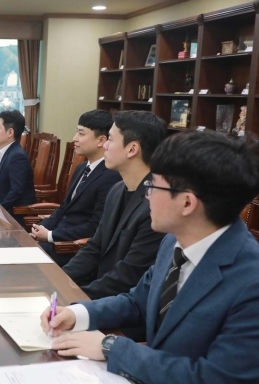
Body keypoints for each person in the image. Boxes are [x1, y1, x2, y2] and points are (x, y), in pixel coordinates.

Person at [42, 130, 259, 384]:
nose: (147, 196)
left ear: (187, 203)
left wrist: (111, 347)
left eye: (152, 186)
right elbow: (137, 302)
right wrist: (78, 314)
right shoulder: (174, 241)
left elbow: (215, 377)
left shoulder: (250, 283)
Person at [61, 110, 166, 300]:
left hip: (125, 305)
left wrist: (75, 298)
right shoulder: (117, 189)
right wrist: (58, 280)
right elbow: (95, 247)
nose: (105, 146)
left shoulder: (157, 203)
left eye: (110, 139)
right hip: (101, 293)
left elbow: (128, 276)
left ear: (132, 149)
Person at [30, 110, 121, 266]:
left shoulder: (111, 176)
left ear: (101, 140)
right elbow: (64, 207)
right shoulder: (81, 168)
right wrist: (42, 227)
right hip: (56, 239)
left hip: (70, 249)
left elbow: (95, 226)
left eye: (81, 134)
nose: (74, 139)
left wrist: (51, 235)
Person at [0, 110, 36, 218]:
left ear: (10, 132)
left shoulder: (17, 156)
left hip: (13, 214)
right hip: (2, 207)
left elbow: (16, 192)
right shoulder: (5, 151)